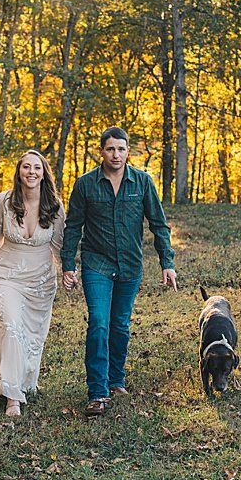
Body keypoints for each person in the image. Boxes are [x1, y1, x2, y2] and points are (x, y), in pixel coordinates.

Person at [61, 127, 176, 418]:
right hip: (96, 264)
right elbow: (73, 226)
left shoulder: (142, 182)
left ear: (128, 152)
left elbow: (158, 224)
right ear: (102, 151)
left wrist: (167, 262)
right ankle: (97, 393)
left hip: (130, 266)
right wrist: (67, 264)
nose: (116, 154)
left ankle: (116, 380)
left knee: (120, 325)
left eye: (121, 149)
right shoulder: (86, 184)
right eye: (111, 149)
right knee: (99, 322)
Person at [0, 150, 66, 420]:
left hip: (40, 283)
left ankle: (18, 381)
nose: (31, 172)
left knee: (30, 338)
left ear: (44, 173)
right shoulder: (5, 200)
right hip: (5, 274)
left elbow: (58, 245)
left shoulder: (54, 205)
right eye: (26, 167)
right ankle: (12, 398)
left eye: (37, 168)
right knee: (10, 326)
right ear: (19, 172)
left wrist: (69, 270)